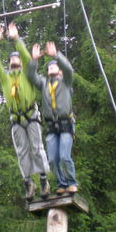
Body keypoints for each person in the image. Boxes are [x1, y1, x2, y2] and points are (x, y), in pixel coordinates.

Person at [0, 23, 50, 201]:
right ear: (9, 63)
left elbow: (26, 56)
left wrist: (16, 39)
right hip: (16, 119)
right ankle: (28, 182)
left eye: (16, 58)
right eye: (11, 59)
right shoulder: (5, 77)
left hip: (31, 115)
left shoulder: (27, 74)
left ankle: (43, 180)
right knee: (22, 151)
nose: (14, 60)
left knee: (37, 148)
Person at [26, 41, 78, 195]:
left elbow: (69, 69)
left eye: (54, 66)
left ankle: (71, 182)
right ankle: (62, 183)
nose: (51, 68)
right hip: (51, 126)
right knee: (52, 159)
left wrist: (56, 55)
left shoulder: (66, 82)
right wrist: (34, 60)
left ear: (60, 71)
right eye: (49, 67)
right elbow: (31, 75)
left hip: (66, 124)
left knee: (64, 156)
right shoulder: (44, 83)